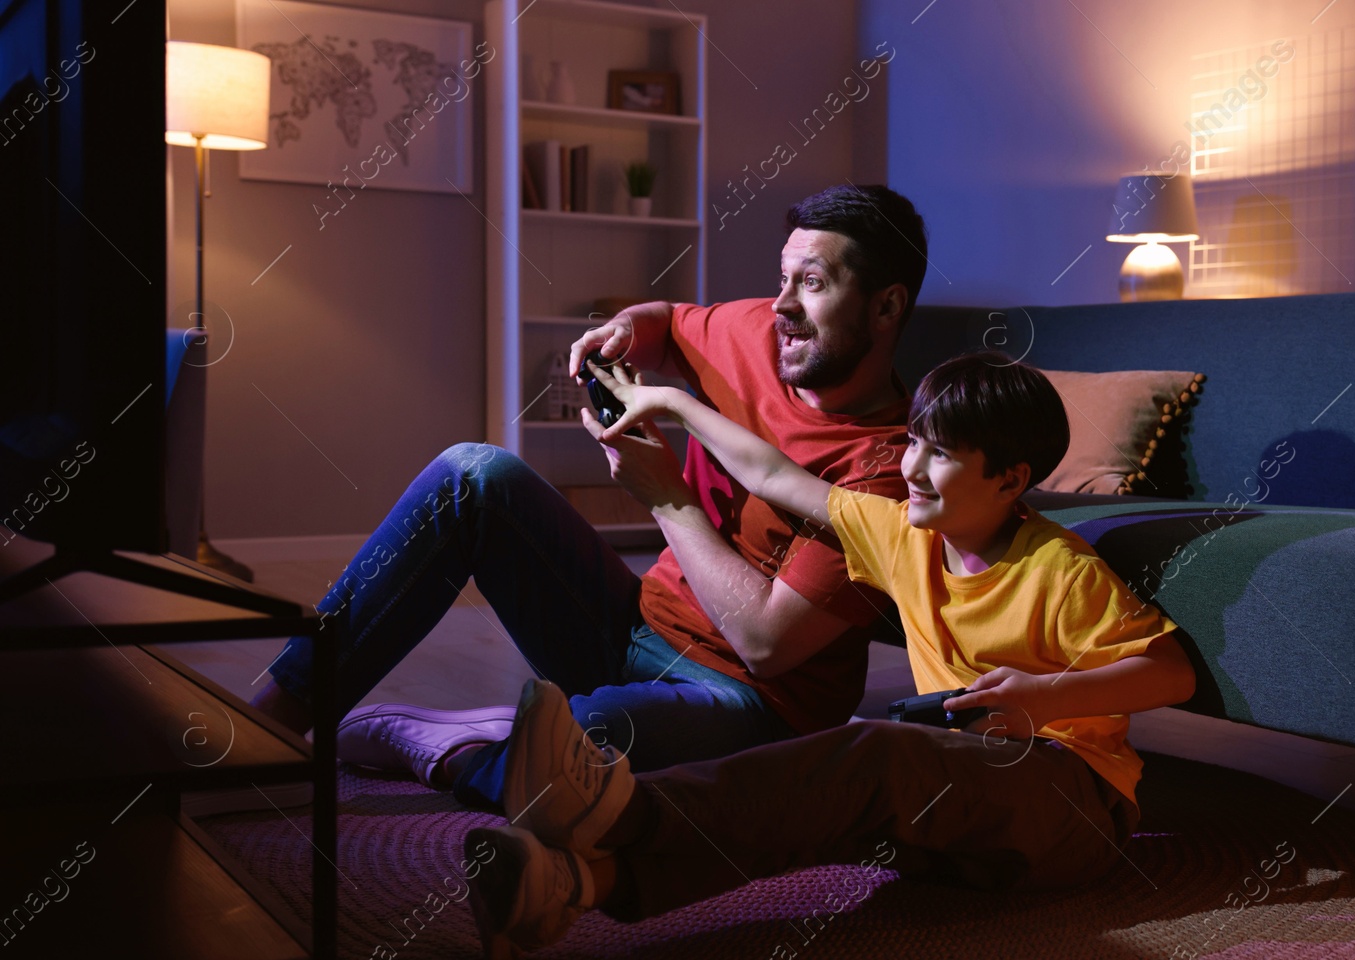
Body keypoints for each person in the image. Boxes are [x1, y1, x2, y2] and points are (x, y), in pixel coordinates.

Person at [461, 352, 1197, 960]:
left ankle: (617, 806)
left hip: (1076, 808)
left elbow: (1171, 672)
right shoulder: (905, 533)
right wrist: (673, 404)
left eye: (940, 452)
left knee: (871, 752)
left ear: (1009, 478)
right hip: (967, 797)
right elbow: (773, 474)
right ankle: (573, 883)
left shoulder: (1060, 570)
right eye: (913, 439)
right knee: (830, 805)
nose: (910, 465)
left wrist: (1042, 699)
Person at [247, 185, 928, 811]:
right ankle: (264, 725)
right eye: (782, 279)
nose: (781, 306)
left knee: (582, 746)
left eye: (811, 284)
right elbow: (668, 322)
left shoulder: (889, 470)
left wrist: (667, 496)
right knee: (471, 474)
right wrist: (625, 331)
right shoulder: (759, 330)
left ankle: (461, 749)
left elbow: (766, 644)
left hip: (752, 701)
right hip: (634, 623)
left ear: (886, 305)